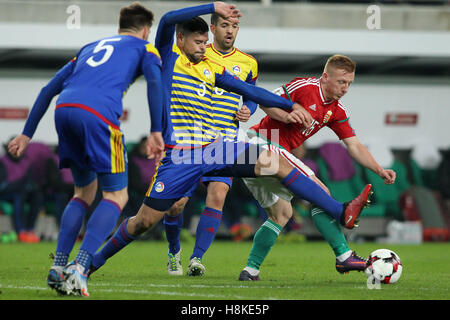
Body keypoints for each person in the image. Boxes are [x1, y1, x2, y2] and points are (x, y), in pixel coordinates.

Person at [88, 2, 372, 296]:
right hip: (181, 156)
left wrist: (290, 105)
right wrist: (213, 6)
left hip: (216, 149)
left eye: (204, 42)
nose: (203, 47)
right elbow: (170, 18)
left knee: (276, 162)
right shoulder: (168, 58)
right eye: (197, 42)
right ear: (180, 40)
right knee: (143, 222)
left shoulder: (213, 68)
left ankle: (341, 211)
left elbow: (251, 91)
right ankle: (90, 263)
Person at [7, 2, 164, 297]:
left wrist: (27, 134)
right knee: (117, 195)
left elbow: (47, 90)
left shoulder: (90, 47)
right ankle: (79, 268)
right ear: (145, 30)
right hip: (98, 116)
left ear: (120, 27)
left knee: (83, 192)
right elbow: (155, 82)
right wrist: (156, 130)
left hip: (64, 111)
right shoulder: (146, 48)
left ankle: (58, 265)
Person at [238, 54, 396, 281]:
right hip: (261, 142)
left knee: (281, 214)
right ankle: (344, 256)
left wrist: (379, 169)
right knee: (321, 193)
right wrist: (287, 115)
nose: (346, 88)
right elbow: (264, 100)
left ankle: (250, 271)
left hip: (262, 156)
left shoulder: (337, 110)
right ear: (325, 77)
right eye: (342, 82)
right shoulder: (304, 87)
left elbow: (354, 145)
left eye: (349, 83)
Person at [162, 12, 259, 277]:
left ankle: (197, 259)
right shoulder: (194, 53)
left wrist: (249, 109)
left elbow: (252, 96)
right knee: (176, 204)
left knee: (218, 194)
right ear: (213, 28)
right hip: (190, 139)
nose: (230, 30)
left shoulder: (248, 62)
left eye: (235, 26)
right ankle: (174, 252)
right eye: (225, 25)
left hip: (224, 140)